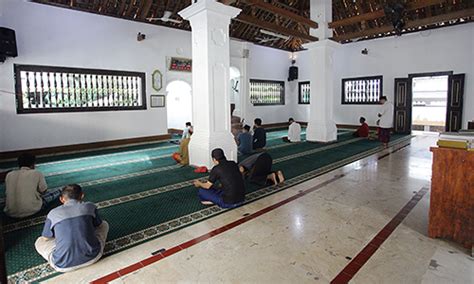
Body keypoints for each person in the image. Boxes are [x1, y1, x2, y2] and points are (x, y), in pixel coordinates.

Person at [35, 184, 109, 272]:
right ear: (82, 196)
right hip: (93, 257)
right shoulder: (90, 206)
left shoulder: (53, 213)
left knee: (39, 241)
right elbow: (98, 225)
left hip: (62, 265)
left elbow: (46, 238)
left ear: (61, 199)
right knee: (104, 224)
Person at [4, 153, 61, 218]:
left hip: (9, 211)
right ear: (32, 164)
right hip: (32, 210)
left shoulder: (9, 174)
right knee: (59, 190)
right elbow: (43, 191)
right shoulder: (36, 173)